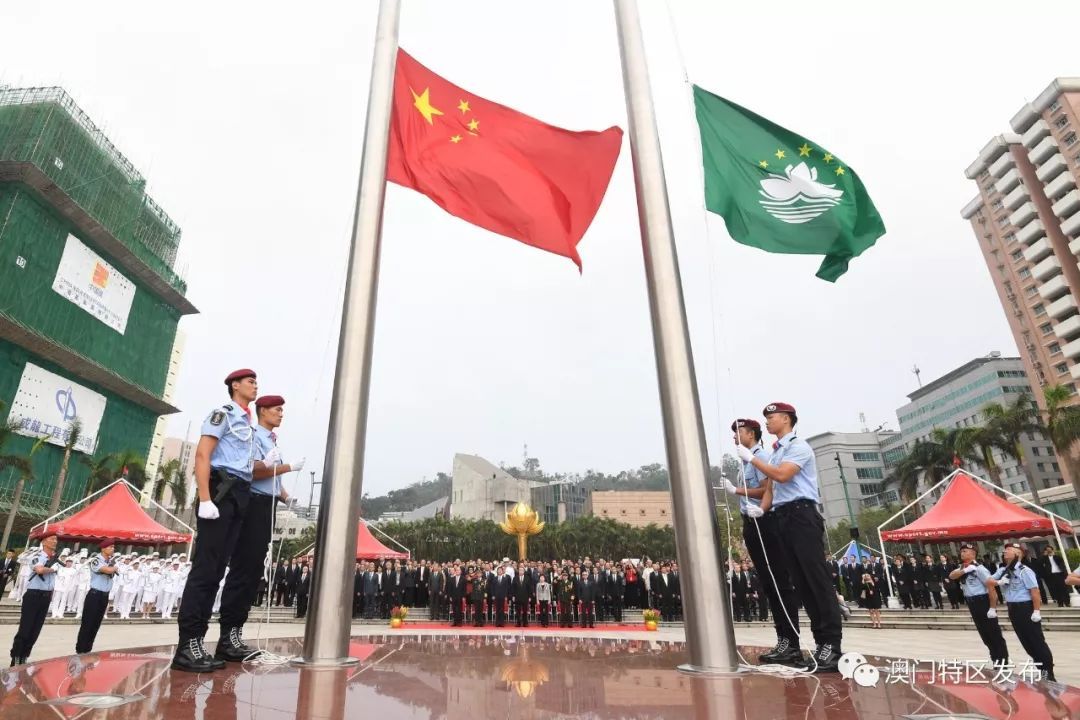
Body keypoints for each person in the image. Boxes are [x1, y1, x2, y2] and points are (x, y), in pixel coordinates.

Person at [736, 402, 843, 672]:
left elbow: (782, 476)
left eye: (771, 417)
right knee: (801, 583)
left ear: (786, 419)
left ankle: (832, 644)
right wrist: (761, 511)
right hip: (782, 517)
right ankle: (820, 644)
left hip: (802, 515)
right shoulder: (775, 453)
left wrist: (753, 460)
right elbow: (770, 489)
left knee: (816, 581)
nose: (768, 422)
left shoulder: (798, 446)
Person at [173, 368, 259, 673]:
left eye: (255, 382)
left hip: (240, 494)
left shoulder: (248, 423)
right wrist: (206, 498)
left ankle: (198, 641)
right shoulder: (222, 414)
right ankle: (187, 645)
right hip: (220, 494)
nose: (255, 386)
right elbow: (202, 455)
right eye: (250, 382)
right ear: (235, 385)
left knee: (217, 571)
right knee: (205, 570)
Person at [217, 394, 304, 663]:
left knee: (254, 570)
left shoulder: (271, 440)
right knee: (244, 570)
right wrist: (287, 467)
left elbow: (271, 479)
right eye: (277, 409)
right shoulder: (254, 436)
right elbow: (254, 472)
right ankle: (228, 635)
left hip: (267, 505)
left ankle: (236, 633)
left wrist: (286, 497)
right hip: (252, 504)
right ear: (263, 411)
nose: (281, 414)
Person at [723, 418, 802, 665]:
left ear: (751, 435)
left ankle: (791, 642)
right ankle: (783, 640)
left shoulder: (761, 457)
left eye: (739, 433)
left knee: (779, 583)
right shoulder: (747, 460)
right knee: (769, 584)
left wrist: (737, 491)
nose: (736, 437)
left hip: (765, 521)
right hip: (752, 523)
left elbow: (768, 488)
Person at [986, 543, 1055, 681]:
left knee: (1036, 641)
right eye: (1005, 550)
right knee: (1026, 642)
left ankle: (1048, 672)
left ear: (1018, 554)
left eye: (1009, 550)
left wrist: (1036, 611)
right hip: (1013, 608)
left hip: (1026, 608)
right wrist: (999, 582)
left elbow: (1035, 591)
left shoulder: (1025, 571)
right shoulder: (1004, 570)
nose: (1005, 552)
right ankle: (1040, 668)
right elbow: (988, 581)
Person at [948, 543, 1008, 667]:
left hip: (982, 602)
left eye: (965, 551)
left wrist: (992, 608)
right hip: (972, 603)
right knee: (985, 635)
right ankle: (996, 660)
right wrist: (964, 570)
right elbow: (951, 575)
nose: (962, 553)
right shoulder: (963, 567)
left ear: (973, 553)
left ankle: (1003, 664)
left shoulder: (979, 568)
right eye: (962, 551)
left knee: (993, 634)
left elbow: (991, 587)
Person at [10, 530, 59, 666]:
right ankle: (16, 658)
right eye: (52, 539)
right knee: (25, 629)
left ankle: (25, 656)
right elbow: (39, 570)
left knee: (35, 630)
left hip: (45, 596)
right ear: (44, 541)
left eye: (56, 539)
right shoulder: (37, 556)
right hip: (33, 595)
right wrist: (53, 569)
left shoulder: (54, 558)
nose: (55, 541)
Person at [75, 539, 118, 654]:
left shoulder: (110, 561)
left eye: (113, 547)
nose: (113, 549)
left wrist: (112, 567)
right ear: (103, 548)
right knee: (87, 624)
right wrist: (113, 568)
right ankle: (80, 651)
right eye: (110, 547)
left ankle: (88, 650)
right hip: (94, 595)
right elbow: (106, 570)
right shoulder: (96, 560)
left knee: (95, 625)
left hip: (104, 596)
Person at [512, 563, 533, 627]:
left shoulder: (527, 578)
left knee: (525, 611)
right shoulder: (515, 578)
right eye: (520, 570)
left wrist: (530, 596)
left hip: (525, 597)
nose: (521, 571)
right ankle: (518, 623)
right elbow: (513, 588)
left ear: (524, 571)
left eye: (522, 570)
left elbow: (530, 588)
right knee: (518, 611)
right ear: (518, 571)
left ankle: (525, 623)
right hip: (517, 597)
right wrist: (513, 596)